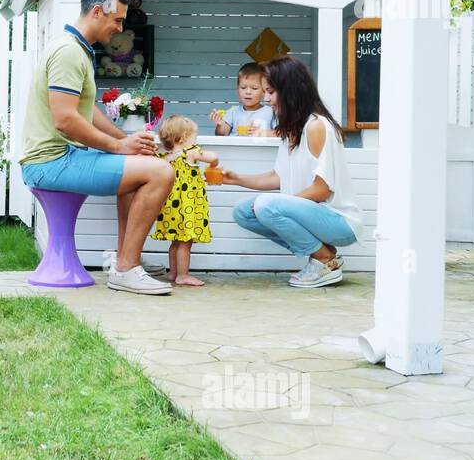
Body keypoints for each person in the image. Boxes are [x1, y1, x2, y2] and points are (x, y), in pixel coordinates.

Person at [19, 0, 174, 295]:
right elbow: (65, 120)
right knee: (162, 172)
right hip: (50, 163)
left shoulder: (76, 49)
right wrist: (119, 146)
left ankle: (125, 260)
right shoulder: (68, 53)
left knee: (140, 163)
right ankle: (128, 269)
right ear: (95, 11)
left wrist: (128, 142)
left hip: (61, 158)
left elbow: (86, 112)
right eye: (117, 20)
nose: (119, 28)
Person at [220, 56, 362, 288]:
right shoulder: (291, 128)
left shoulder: (316, 126)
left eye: (271, 92)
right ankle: (322, 253)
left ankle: (326, 261)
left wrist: (278, 205)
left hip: (339, 221)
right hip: (312, 214)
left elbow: (322, 189)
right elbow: (278, 178)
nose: (266, 99)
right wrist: (236, 179)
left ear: (290, 91)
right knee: (243, 212)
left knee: (266, 206)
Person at [150, 115, 218, 287]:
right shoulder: (191, 152)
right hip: (187, 207)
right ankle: (183, 275)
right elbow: (213, 157)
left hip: (171, 207)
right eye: (194, 136)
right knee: (185, 242)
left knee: (176, 241)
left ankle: (173, 272)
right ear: (183, 138)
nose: (196, 140)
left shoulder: (165, 158)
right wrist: (214, 163)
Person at [210, 62, 276, 136]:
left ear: (264, 91)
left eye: (254, 88)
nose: (248, 92)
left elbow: (280, 133)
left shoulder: (270, 112)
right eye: (243, 87)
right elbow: (222, 134)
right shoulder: (232, 112)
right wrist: (220, 124)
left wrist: (262, 132)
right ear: (237, 89)